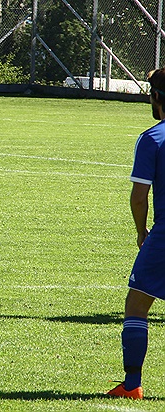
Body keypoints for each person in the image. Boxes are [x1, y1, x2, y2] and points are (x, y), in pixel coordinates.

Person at [106, 68, 165, 400]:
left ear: (156, 97)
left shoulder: (153, 138)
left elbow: (139, 196)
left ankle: (131, 385)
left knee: (137, 303)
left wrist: (142, 232)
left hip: (164, 236)